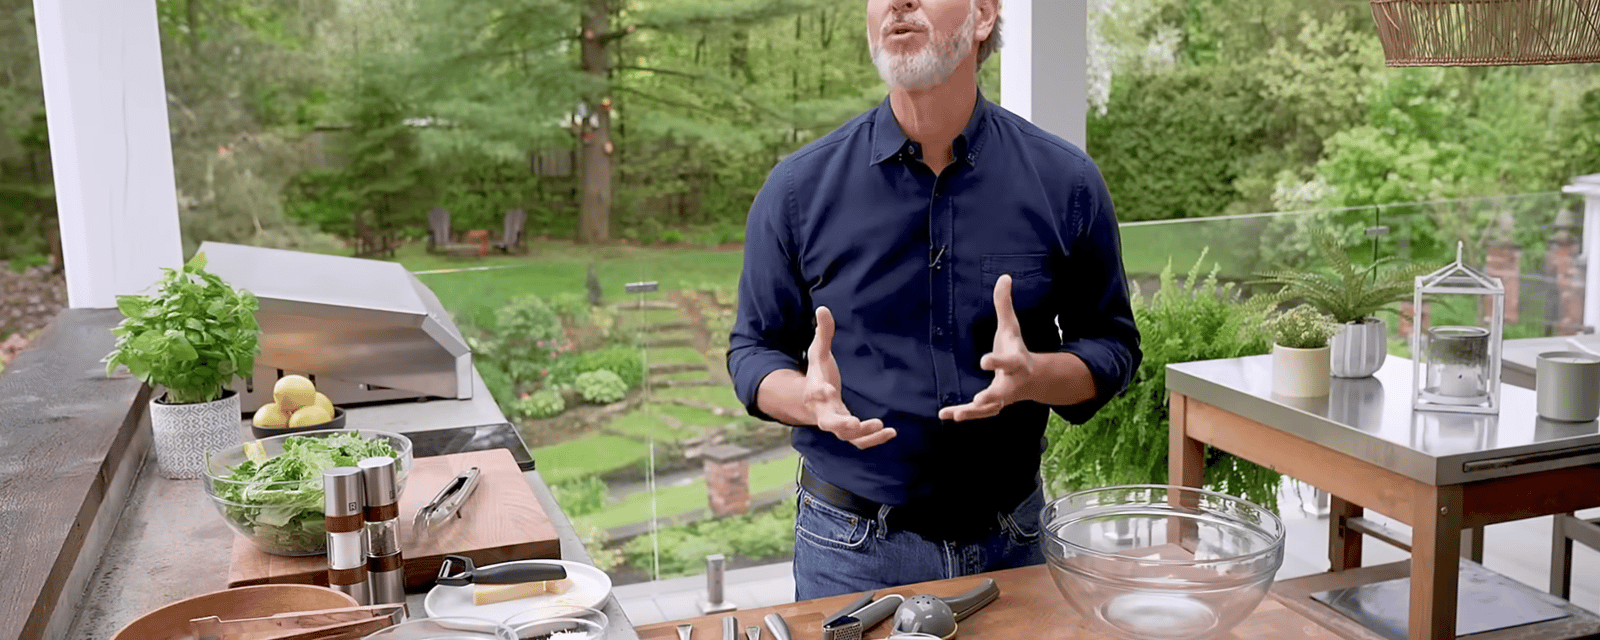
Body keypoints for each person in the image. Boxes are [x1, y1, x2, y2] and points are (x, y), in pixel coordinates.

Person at [726, 0, 1141, 600]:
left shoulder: (1068, 182)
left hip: (1013, 541)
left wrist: (1035, 377)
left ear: (982, 15)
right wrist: (807, 400)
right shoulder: (795, 189)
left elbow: (1113, 345)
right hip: (848, 552)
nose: (897, 1)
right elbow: (752, 350)